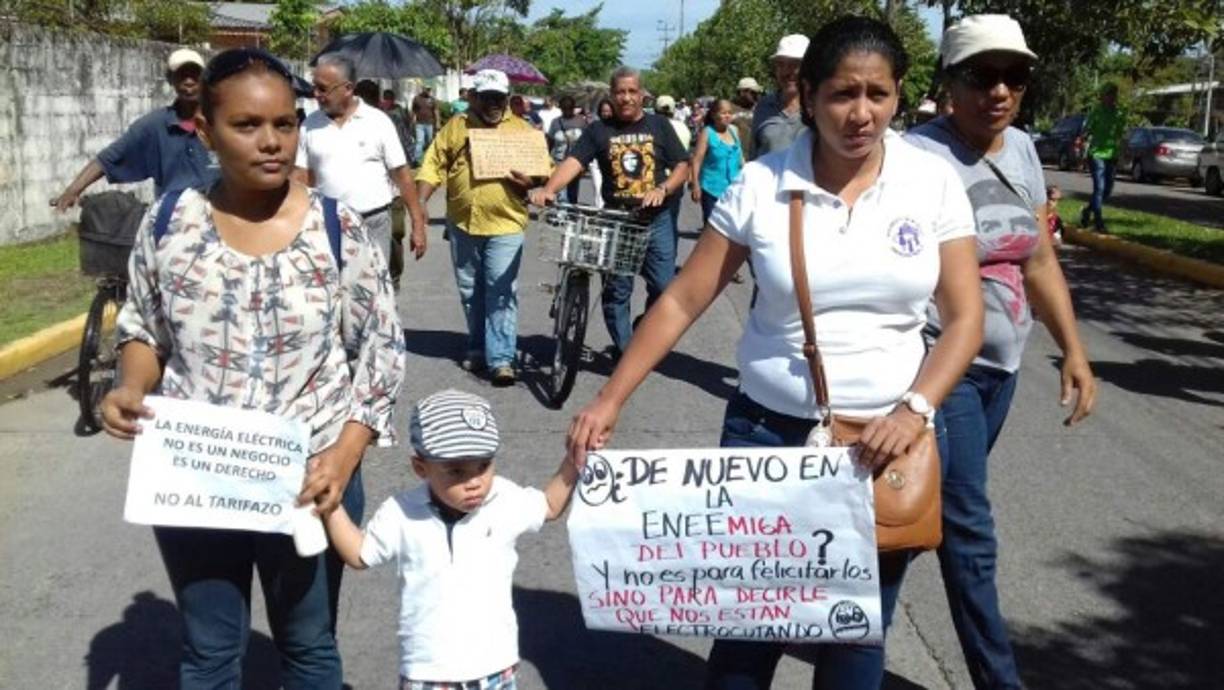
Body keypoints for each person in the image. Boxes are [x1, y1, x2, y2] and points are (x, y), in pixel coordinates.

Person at [566, 18, 984, 688]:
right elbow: (681, 300)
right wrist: (609, 398)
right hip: (767, 438)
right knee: (748, 633)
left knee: (855, 635)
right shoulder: (763, 184)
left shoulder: (929, 182)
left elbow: (965, 319)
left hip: (882, 448)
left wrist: (914, 410)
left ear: (899, 94)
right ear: (810, 95)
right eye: (843, 94)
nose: (861, 113)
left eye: (878, 94)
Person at [99, 47, 407, 689]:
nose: (271, 142)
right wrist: (130, 385)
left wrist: (344, 456)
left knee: (309, 648)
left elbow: (381, 352)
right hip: (197, 476)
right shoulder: (168, 223)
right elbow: (145, 330)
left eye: (285, 124)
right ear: (206, 132)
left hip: (311, 475)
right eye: (247, 125)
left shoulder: (336, 228)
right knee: (209, 653)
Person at [905, 15, 1097, 690]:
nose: (1000, 91)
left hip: (1002, 370)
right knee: (968, 527)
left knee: (923, 514)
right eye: (982, 76)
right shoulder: (915, 157)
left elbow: (1038, 258)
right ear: (948, 83)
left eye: (1014, 77)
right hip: (939, 364)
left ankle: (848, 623)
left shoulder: (1020, 149)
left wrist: (1073, 350)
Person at [324, 389, 579, 690]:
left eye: (483, 466)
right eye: (456, 471)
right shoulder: (401, 512)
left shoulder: (504, 498)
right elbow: (359, 553)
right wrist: (330, 507)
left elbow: (549, 505)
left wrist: (574, 459)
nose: (474, 482)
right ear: (421, 468)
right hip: (427, 674)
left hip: (495, 669)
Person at [530, 67, 691, 360]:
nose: (626, 98)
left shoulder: (659, 125)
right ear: (612, 95)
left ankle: (642, 328)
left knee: (664, 288)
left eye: (632, 91)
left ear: (642, 95)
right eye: (620, 92)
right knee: (617, 291)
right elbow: (574, 162)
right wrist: (549, 189)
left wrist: (663, 189)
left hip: (656, 219)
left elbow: (682, 165)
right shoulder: (598, 130)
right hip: (617, 221)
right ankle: (629, 353)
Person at [416, 69, 545, 386]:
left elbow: (544, 173)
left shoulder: (522, 130)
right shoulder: (456, 126)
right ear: (473, 97)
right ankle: (477, 346)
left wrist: (531, 182)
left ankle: (501, 359)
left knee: (500, 291)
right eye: (487, 98)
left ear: (507, 98)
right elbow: (433, 165)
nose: (493, 104)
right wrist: (420, 204)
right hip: (463, 223)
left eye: (499, 98)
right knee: (471, 291)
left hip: (506, 223)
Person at [295, 53, 429, 280]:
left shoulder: (378, 122)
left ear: (348, 88)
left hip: (373, 224)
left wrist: (417, 224)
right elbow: (300, 177)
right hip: (327, 226)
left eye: (322, 88)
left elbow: (402, 174)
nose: (316, 94)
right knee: (332, 291)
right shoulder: (310, 124)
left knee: (374, 291)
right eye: (314, 87)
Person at [52, 49, 218, 211]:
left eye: (195, 75)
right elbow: (107, 159)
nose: (189, 82)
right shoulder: (155, 125)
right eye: (182, 75)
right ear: (170, 80)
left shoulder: (220, 121)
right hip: (174, 218)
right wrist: (72, 191)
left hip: (219, 214)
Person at [751, 34, 809, 159]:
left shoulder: (820, 107)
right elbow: (753, 155)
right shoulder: (764, 106)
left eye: (794, 65)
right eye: (781, 64)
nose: (786, 72)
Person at [689, 99, 744, 226]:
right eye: (723, 113)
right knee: (712, 226)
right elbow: (697, 160)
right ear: (714, 115)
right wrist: (695, 185)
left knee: (731, 227)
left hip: (733, 189)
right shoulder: (707, 132)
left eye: (729, 113)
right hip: (711, 189)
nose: (727, 116)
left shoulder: (734, 130)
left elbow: (740, 158)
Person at [1080, 83, 1125, 231]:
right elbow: (1086, 131)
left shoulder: (1119, 114)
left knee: (1107, 189)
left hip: (1112, 154)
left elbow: (1121, 135)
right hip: (1097, 154)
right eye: (1109, 94)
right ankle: (1098, 221)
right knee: (1099, 187)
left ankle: (1088, 210)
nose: (1112, 97)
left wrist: (1123, 151)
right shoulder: (1096, 112)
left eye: (1114, 94)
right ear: (1103, 96)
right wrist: (1082, 141)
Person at [546, 95, 589, 203]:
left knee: (573, 192)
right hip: (559, 162)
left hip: (575, 162)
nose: (567, 111)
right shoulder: (555, 122)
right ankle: (562, 212)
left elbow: (587, 143)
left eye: (569, 108)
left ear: (573, 108)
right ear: (561, 109)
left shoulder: (581, 122)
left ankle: (571, 210)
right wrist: (546, 159)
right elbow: (550, 142)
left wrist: (585, 164)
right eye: (564, 109)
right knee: (561, 193)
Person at [587, 98, 617, 210]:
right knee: (598, 186)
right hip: (596, 162)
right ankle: (600, 211)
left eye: (609, 111)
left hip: (612, 162)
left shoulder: (617, 127)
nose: (606, 114)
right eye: (604, 111)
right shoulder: (594, 126)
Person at [731, 77, 763, 160]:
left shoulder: (761, 109)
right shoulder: (729, 109)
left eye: (757, 93)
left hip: (756, 158)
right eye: (753, 92)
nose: (756, 95)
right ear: (742, 92)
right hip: (734, 157)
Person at [412, 86, 440, 164]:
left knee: (430, 141)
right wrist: (413, 119)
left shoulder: (432, 99)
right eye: (427, 89)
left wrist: (437, 122)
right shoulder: (417, 98)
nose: (428, 91)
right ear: (423, 89)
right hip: (419, 124)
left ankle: (431, 159)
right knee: (419, 141)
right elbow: (414, 110)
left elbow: (436, 111)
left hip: (430, 124)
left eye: (429, 89)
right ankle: (417, 160)